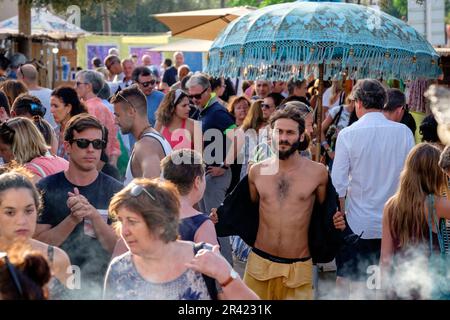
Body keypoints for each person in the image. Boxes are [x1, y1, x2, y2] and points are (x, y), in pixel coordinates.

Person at [104, 178, 259, 300]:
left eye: (132, 221)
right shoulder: (120, 269)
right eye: (121, 220)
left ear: (160, 222)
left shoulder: (205, 259)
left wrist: (226, 275)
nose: (124, 231)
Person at [331, 79, 415, 299]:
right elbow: (411, 179)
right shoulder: (404, 132)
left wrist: (342, 219)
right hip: (396, 222)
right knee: (383, 286)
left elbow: (338, 184)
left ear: (358, 102)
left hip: (359, 223)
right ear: (383, 101)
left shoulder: (348, 134)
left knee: (356, 285)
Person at [241, 106, 329, 300]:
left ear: (300, 136)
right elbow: (248, 209)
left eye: (290, 132)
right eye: (279, 131)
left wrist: (337, 220)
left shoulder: (318, 173)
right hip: (259, 263)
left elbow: (324, 213)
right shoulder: (256, 171)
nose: (283, 138)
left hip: (298, 266)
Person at [34, 114, 123, 299]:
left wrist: (94, 216)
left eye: (97, 144)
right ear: (67, 146)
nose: (91, 149)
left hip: (101, 288)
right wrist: (73, 218)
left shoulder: (117, 191)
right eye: (83, 143)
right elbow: (38, 245)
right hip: (55, 286)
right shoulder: (45, 188)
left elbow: (120, 248)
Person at [381, 143, 450, 299]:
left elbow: (385, 259)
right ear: (435, 174)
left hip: (398, 288)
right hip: (429, 289)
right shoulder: (437, 205)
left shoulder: (390, 206)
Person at [186, 73, 237, 264]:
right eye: (191, 97)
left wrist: (225, 164)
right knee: (210, 224)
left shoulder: (217, 111)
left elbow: (238, 138)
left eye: (197, 96)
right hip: (210, 175)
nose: (194, 100)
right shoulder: (206, 109)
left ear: (208, 91)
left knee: (217, 225)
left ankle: (227, 274)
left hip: (217, 177)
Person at [0, 169, 71, 299]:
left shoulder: (56, 258)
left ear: (37, 210)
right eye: (10, 212)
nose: (22, 221)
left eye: (28, 211)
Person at [111, 85, 172, 186]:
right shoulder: (152, 138)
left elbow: (152, 192)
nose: (115, 121)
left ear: (131, 112)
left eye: (117, 115)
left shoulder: (146, 145)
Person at [161, 149, 218, 245]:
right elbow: (211, 259)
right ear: (197, 181)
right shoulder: (201, 225)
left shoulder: (152, 215)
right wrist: (205, 224)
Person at [0, 117, 68, 183]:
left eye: (3, 150)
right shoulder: (63, 162)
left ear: (19, 147)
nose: (0, 155)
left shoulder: (27, 174)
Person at [75, 70, 121, 167]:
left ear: (88, 86)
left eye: (78, 84)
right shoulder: (104, 108)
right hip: (104, 162)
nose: (75, 87)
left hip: (91, 164)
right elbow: (114, 141)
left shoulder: (87, 109)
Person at [50, 86, 88, 159]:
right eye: (51, 106)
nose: (51, 110)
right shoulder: (53, 132)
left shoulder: (82, 132)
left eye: (55, 106)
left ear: (68, 108)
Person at [320, 96, 356, 170]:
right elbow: (320, 130)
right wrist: (329, 151)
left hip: (352, 155)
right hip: (335, 152)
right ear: (352, 100)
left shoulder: (360, 116)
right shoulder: (338, 110)